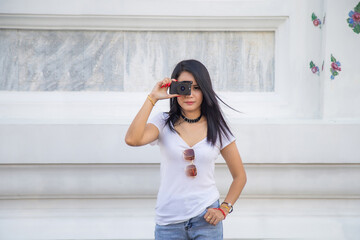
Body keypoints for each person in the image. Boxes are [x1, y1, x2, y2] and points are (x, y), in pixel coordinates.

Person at [125, 59, 247, 240]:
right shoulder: (163, 122)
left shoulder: (217, 127)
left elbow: (240, 176)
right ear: (174, 88)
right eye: (185, 87)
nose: (190, 94)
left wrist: (224, 208)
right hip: (169, 222)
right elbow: (132, 139)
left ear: (205, 90)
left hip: (207, 220)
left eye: (197, 88)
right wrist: (152, 98)